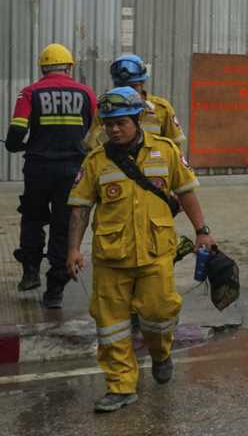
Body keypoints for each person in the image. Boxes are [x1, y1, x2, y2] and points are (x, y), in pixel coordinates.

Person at [66, 87, 214, 413]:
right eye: (108, 124)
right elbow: (80, 207)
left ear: (136, 120)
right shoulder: (95, 161)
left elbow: (187, 192)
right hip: (110, 256)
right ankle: (120, 386)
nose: (114, 130)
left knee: (160, 313)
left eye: (121, 123)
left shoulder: (166, 151)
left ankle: (161, 353)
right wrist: (73, 249)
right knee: (110, 324)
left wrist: (202, 232)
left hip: (155, 252)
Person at [5, 43, 97, 308]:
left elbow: (16, 132)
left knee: (32, 218)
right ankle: (55, 290)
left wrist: (16, 146)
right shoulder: (86, 93)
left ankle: (31, 272)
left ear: (43, 68)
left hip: (38, 169)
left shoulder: (30, 92)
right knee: (63, 225)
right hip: (73, 171)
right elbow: (97, 132)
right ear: (69, 67)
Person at [86, 54, 185, 149]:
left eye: (132, 86)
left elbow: (175, 145)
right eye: (121, 87)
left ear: (142, 83)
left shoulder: (161, 108)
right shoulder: (106, 107)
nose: (127, 93)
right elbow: (92, 145)